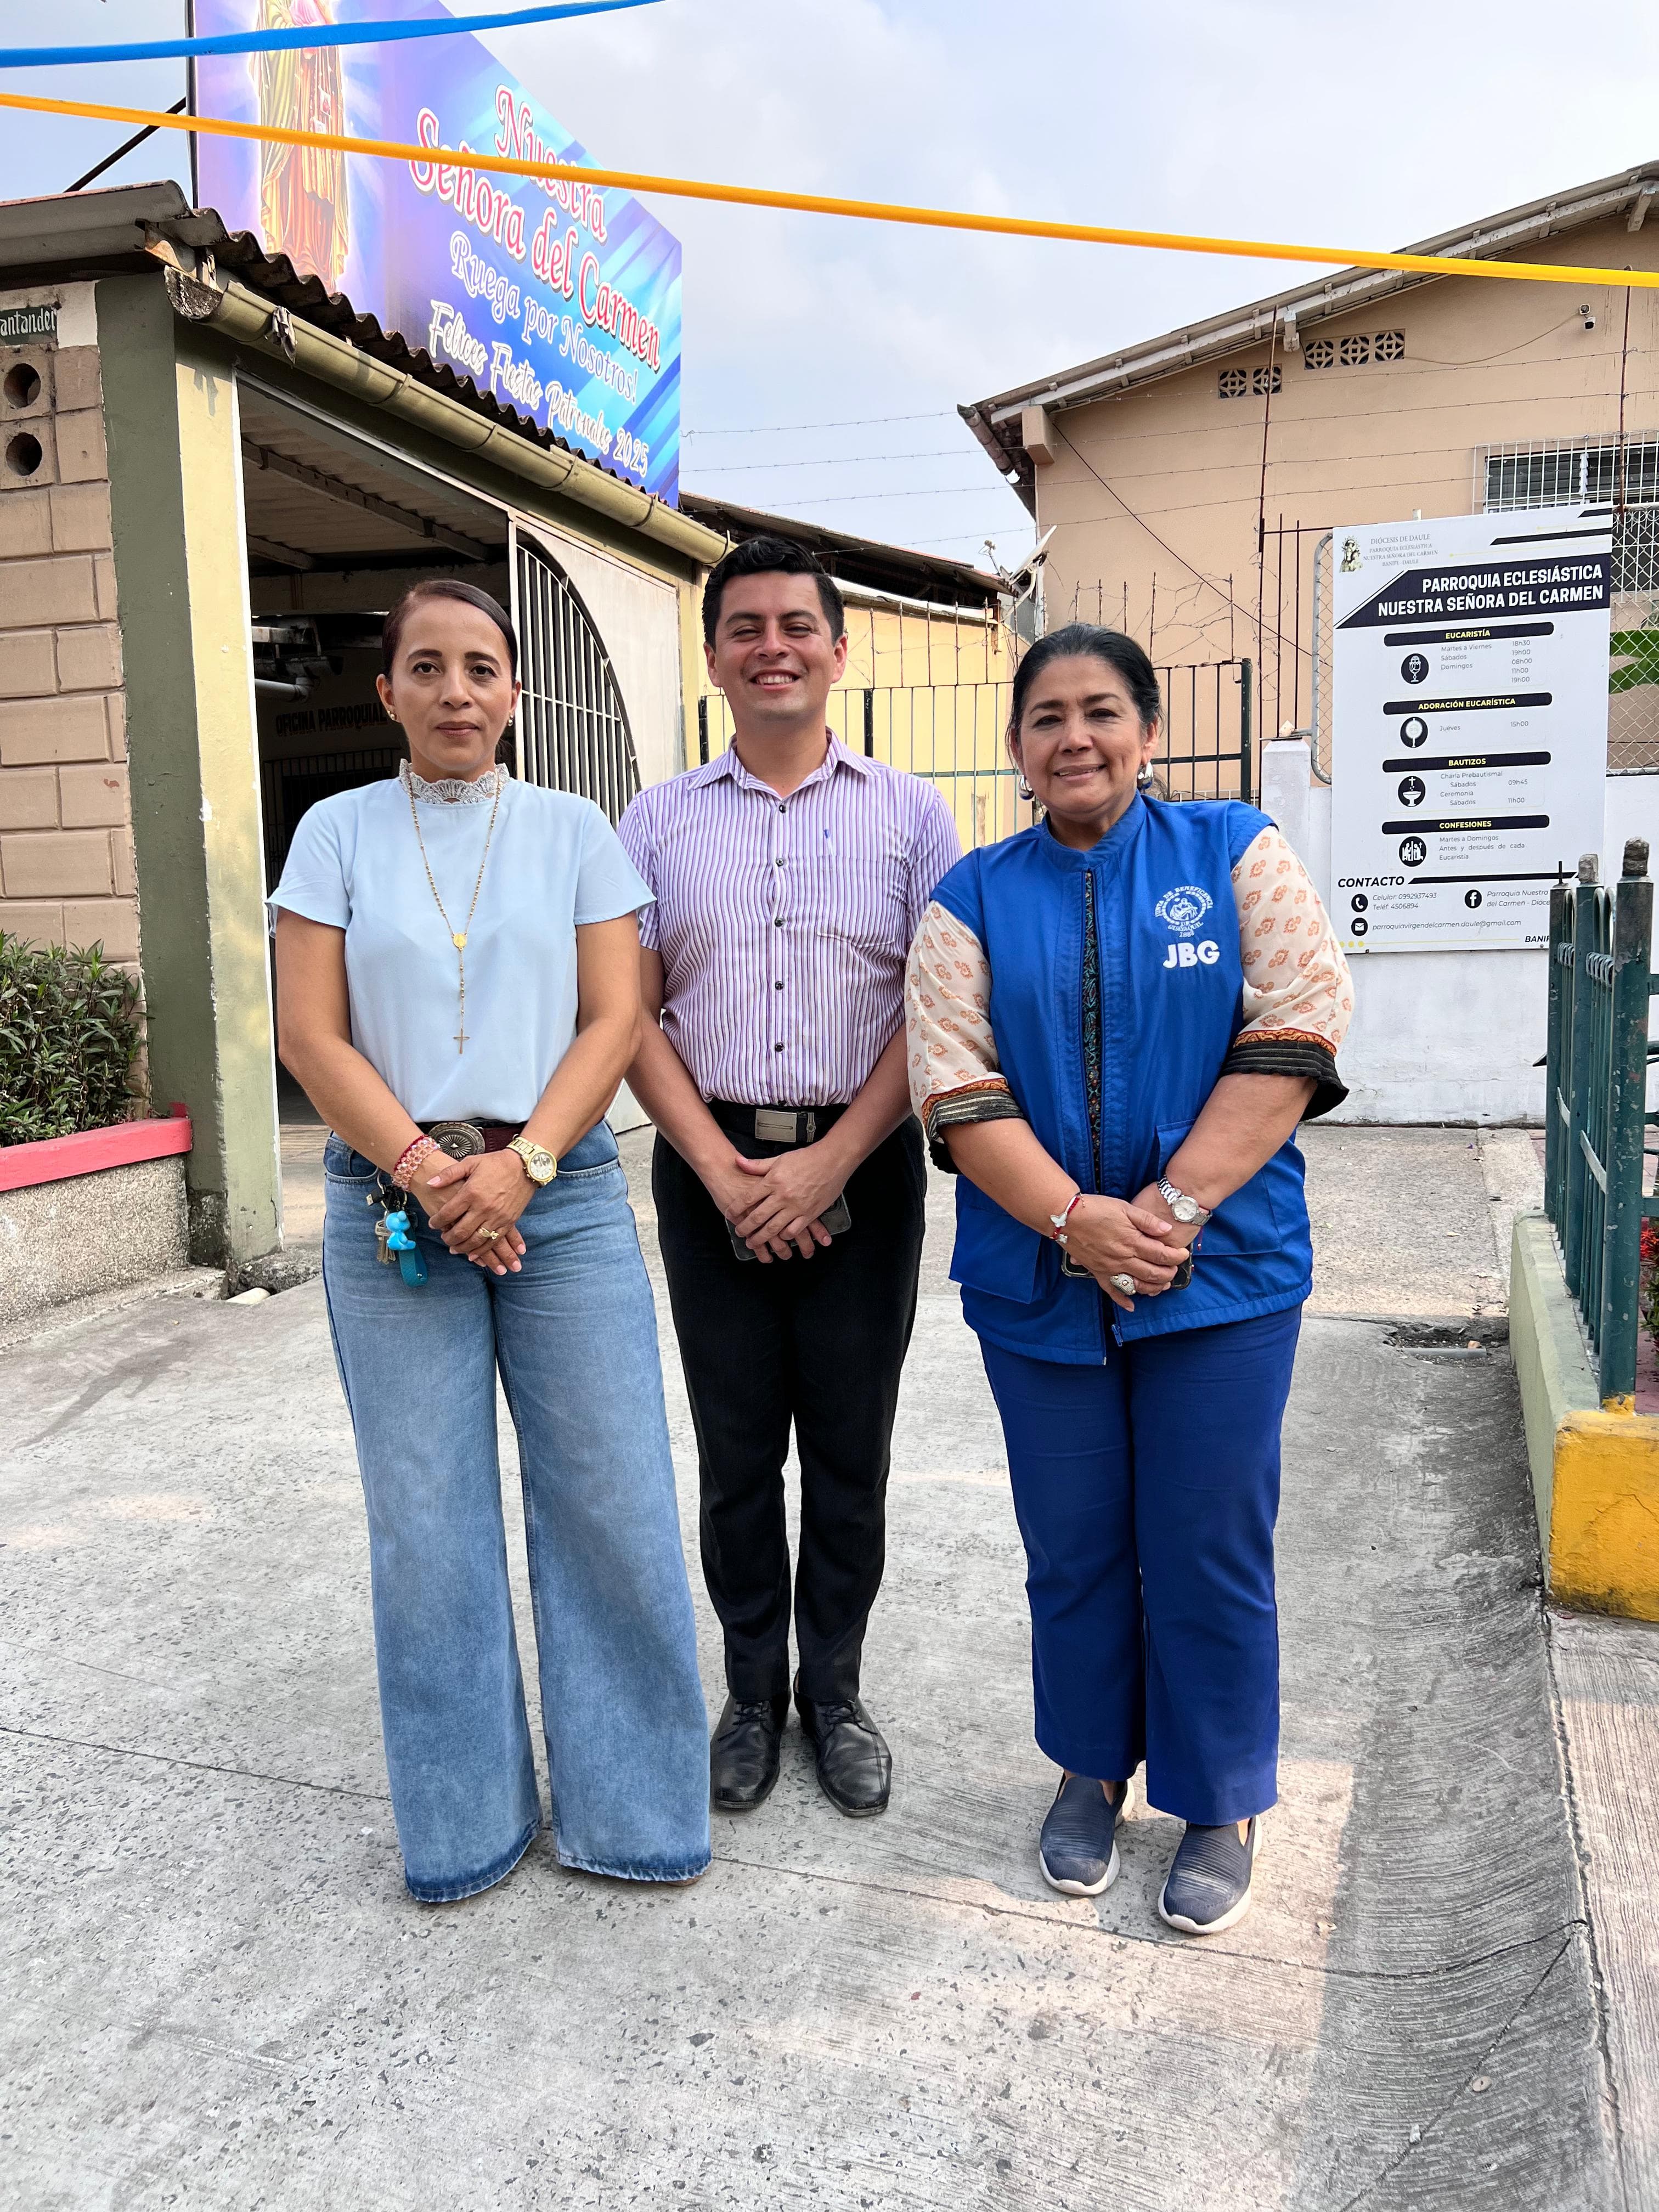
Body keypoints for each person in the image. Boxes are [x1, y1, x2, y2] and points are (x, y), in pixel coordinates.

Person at [905, 623, 1352, 1936]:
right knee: (1075, 1544)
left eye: (1102, 711)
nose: (1076, 738)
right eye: (1047, 718)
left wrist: (1167, 1209)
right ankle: (1090, 1768)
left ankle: (1220, 1798)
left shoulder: (1235, 852)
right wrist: (1072, 1222)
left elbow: (1301, 1021)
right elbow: (953, 1081)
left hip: (1222, 1274)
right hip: (1037, 1281)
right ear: (1017, 749)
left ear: (1149, 733)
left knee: (1209, 1544)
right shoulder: (971, 897)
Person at [270, 577, 709, 1903]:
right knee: (428, 1524)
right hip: (389, 1202)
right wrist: (425, 1171)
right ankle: (464, 1829)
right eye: (427, 666)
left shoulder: (575, 829)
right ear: (387, 691)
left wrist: (520, 1167)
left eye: (481, 667)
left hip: (557, 1195)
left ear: (516, 693)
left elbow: (616, 1016)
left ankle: (636, 1816)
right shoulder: (335, 834)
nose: (455, 690)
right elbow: (310, 1035)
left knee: (613, 1500)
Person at [619, 536, 960, 1819]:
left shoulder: (913, 817)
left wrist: (826, 1165)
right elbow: (627, 1014)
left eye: (797, 625)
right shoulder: (654, 822)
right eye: (746, 628)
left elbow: (935, 1008)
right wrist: (724, 1172)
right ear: (713, 658)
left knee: (852, 1454)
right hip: (705, 1167)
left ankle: (837, 1692)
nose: (774, 647)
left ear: (837, 648)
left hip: (864, 1171)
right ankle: (752, 1695)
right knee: (736, 1451)